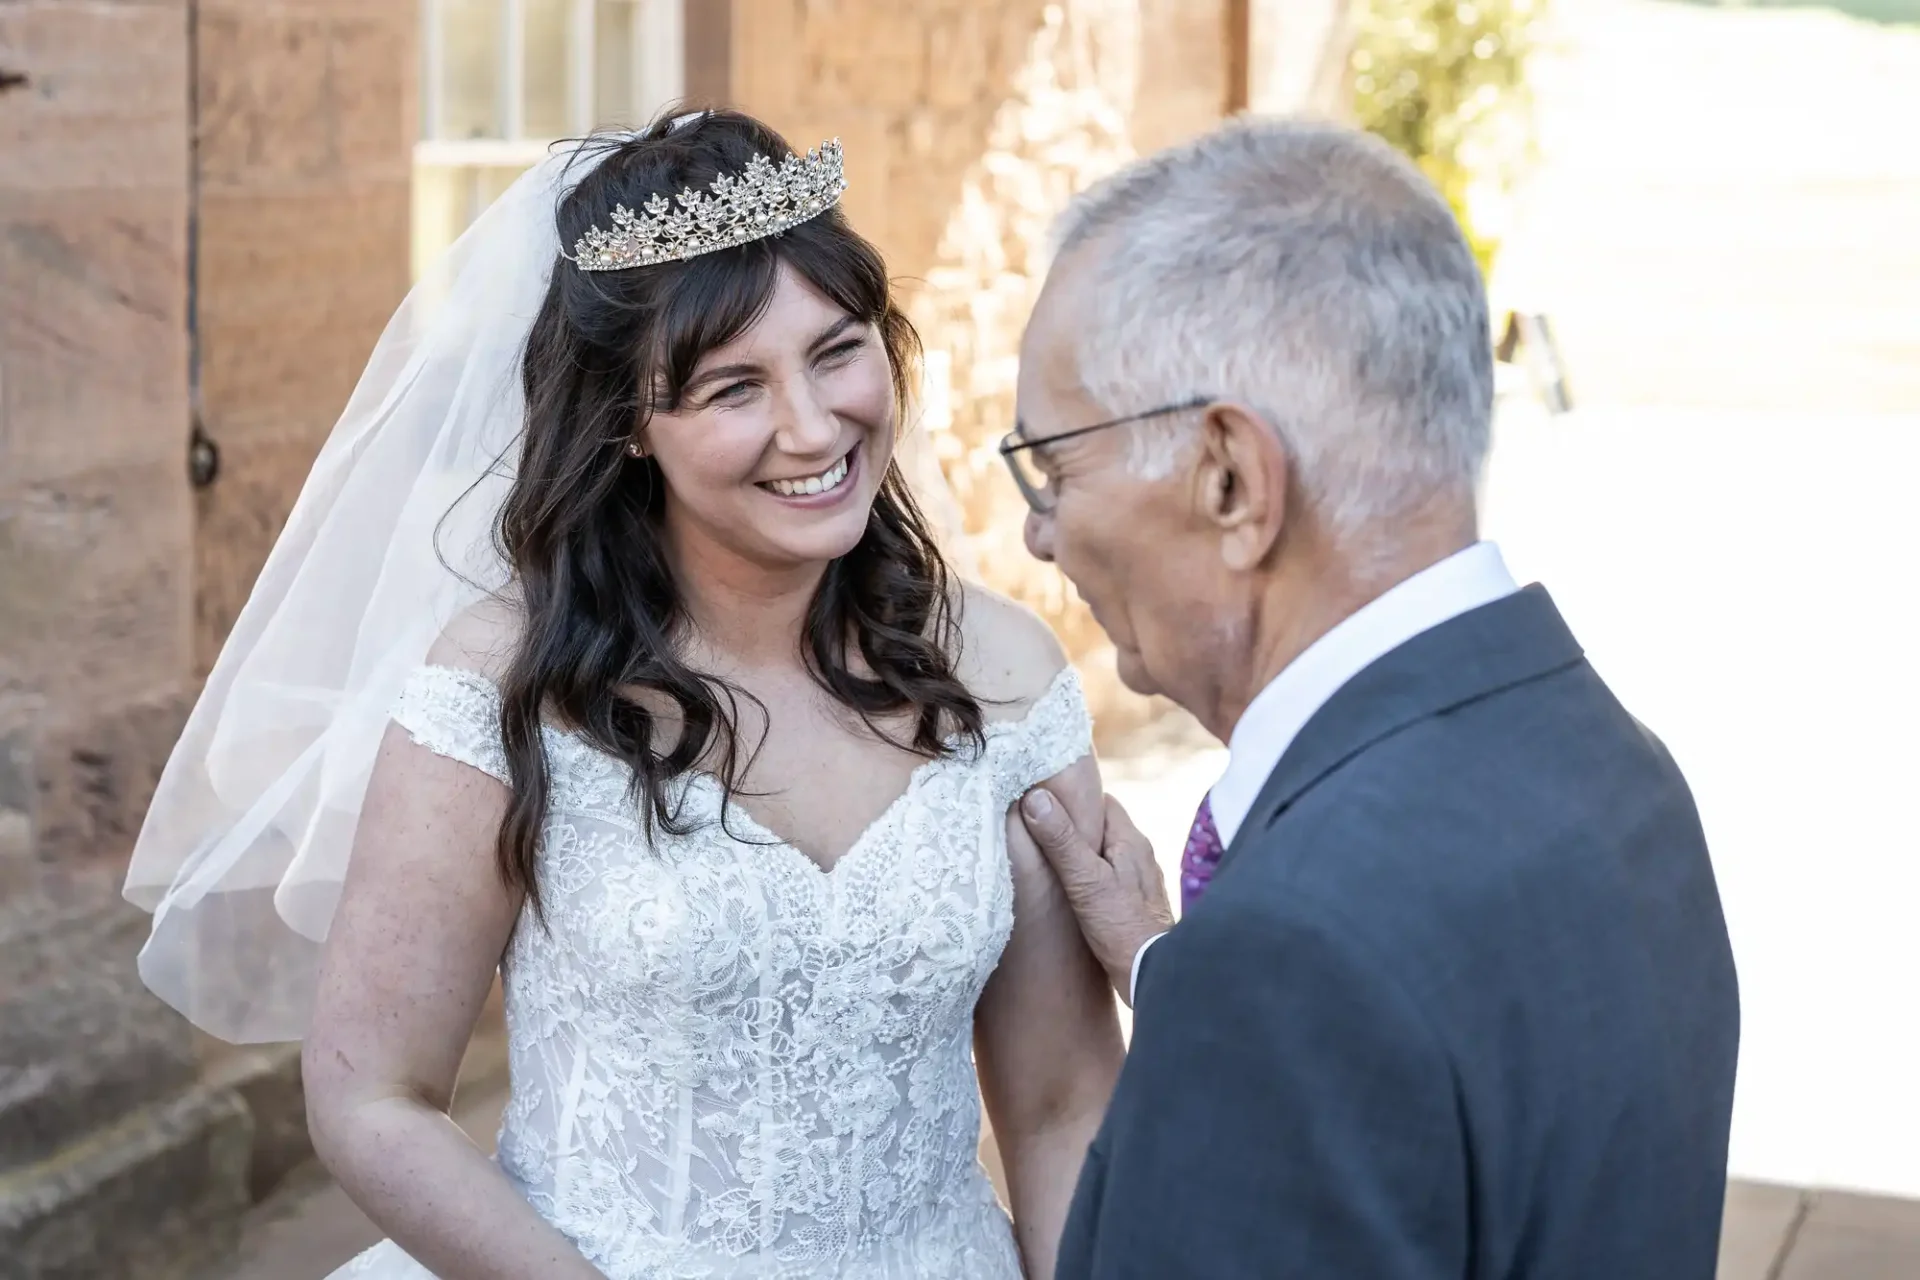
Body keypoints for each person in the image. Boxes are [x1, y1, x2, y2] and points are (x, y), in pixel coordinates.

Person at [122, 110, 1122, 1280]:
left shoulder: (999, 678)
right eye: (732, 386)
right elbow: (371, 1094)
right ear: (631, 428)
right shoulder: (503, 687)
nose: (813, 424)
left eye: (837, 349)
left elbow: (1061, 1109)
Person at [1002, 118, 1741, 1278]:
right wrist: (1173, 971)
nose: (1041, 533)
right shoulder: (1612, 766)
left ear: (1231, 479)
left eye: (1056, 467)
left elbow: (1330, 1004)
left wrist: (1226, 998)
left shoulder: (1292, 955)